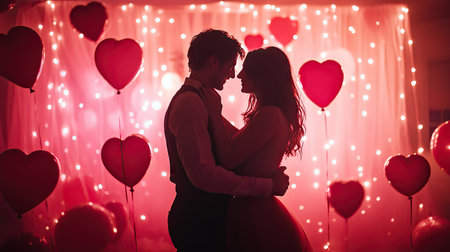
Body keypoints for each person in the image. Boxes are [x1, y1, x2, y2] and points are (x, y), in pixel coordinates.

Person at [164, 29, 290, 252]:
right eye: (230, 66)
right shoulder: (190, 104)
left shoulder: (203, 102)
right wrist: (267, 185)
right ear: (213, 62)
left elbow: (236, 144)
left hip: (210, 219)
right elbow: (204, 175)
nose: (233, 75)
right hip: (198, 221)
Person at [200, 46, 311, 251]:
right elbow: (239, 139)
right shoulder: (271, 113)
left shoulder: (269, 114)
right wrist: (213, 112)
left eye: (247, 70)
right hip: (253, 207)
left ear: (263, 76)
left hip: (254, 213)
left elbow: (229, 158)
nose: (240, 75)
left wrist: (214, 115)